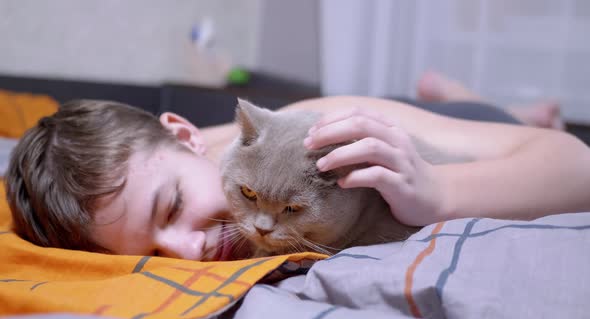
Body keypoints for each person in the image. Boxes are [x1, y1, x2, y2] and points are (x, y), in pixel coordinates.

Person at [5, 74, 590, 261]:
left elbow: (575, 170)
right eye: (152, 257)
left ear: (185, 137)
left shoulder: (321, 128)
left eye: (174, 207)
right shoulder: (171, 178)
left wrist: (439, 190)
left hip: (466, 137)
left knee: (506, 125)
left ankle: (490, 104)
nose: (188, 253)